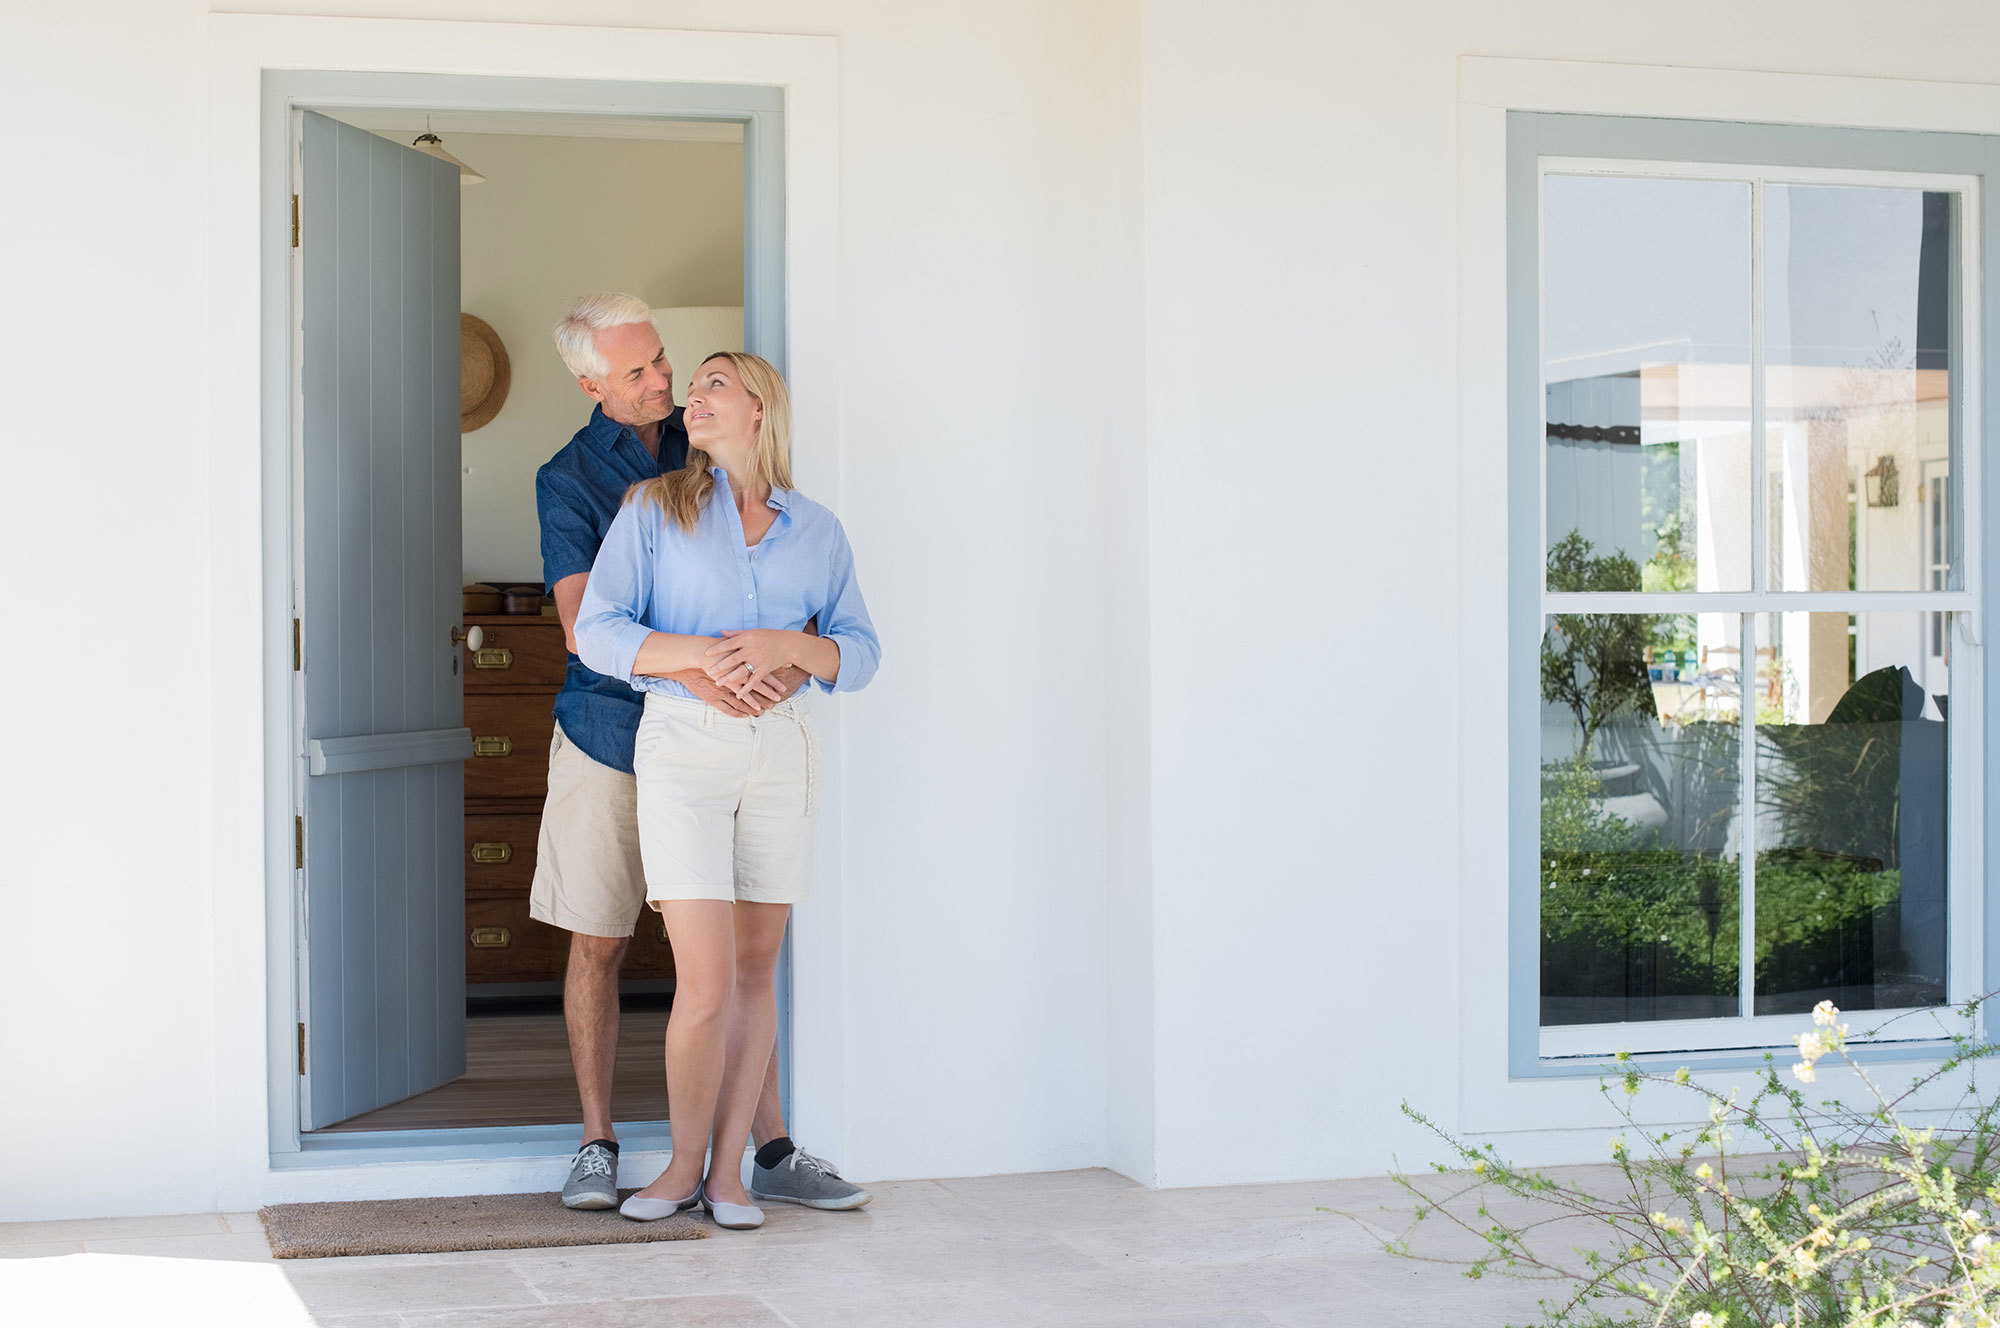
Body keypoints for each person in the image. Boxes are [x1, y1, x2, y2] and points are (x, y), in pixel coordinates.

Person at [534, 293, 869, 1214]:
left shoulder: (717, 452)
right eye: (639, 373)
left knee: (733, 965)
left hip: (749, 735)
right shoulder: (572, 480)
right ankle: (600, 1140)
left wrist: (786, 664)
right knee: (600, 937)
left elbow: (812, 627)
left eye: (668, 364)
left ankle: (762, 1150)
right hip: (612, 731)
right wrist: (705, 667)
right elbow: (583, 626)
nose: (667, 384)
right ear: (590, 382)